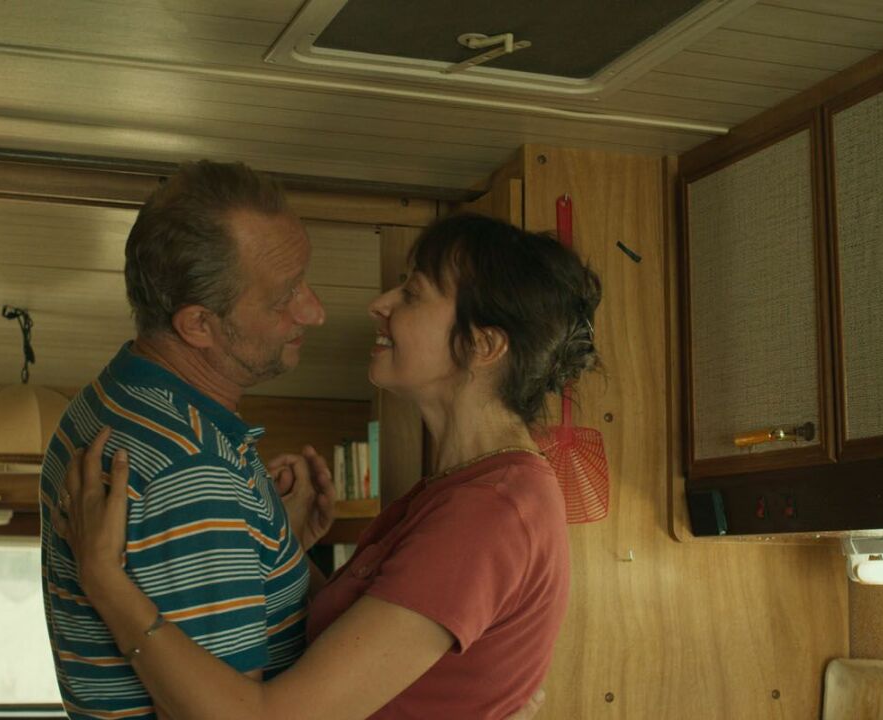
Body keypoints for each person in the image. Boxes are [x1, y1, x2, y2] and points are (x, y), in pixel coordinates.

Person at [57, 212, 602, 719]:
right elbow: (373, 654)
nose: (380, 304)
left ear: (484, 343)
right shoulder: (466, 490)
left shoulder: (488, 512)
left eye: (412, 293)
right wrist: (283, 549)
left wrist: (105, 581)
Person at [39, 160, 332, 719]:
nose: (314, 312)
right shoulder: (191, 468)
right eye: (284, 296)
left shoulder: (108, 400)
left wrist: (272, 548)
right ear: (198, 325)